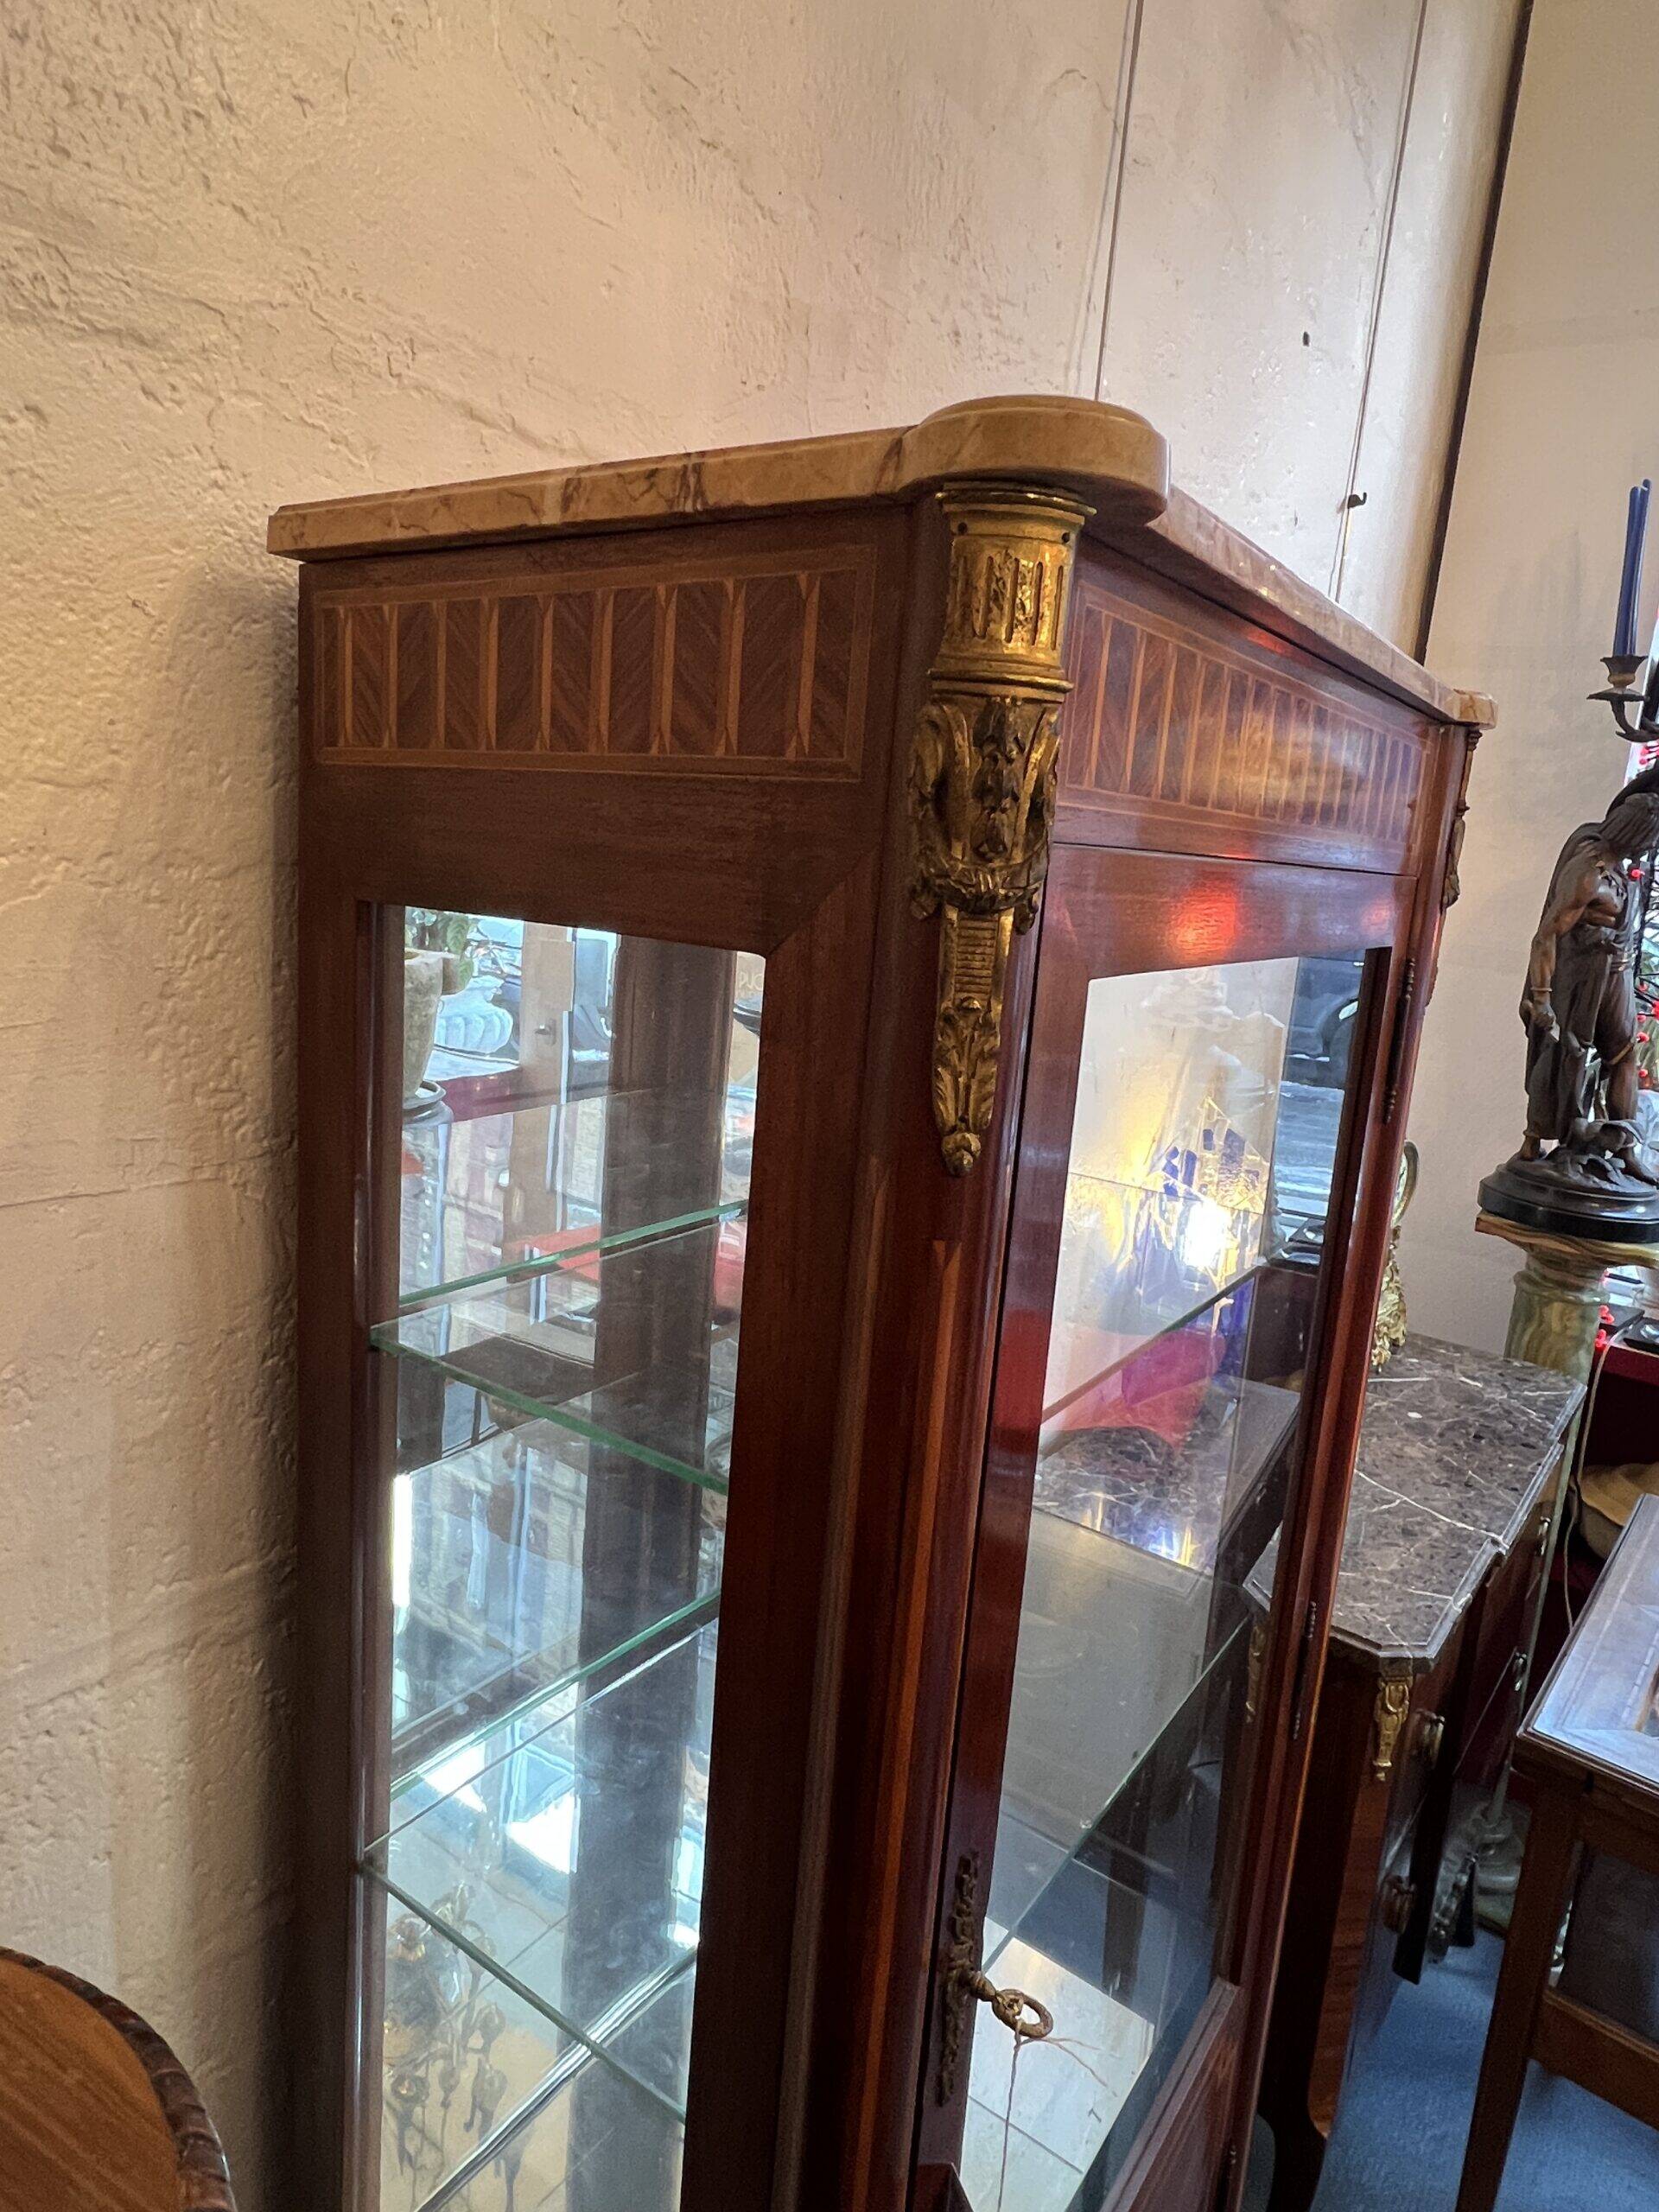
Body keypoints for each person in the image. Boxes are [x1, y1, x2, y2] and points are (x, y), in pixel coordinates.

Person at [1517, 762, 1659, 1186]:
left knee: (1623, 1055)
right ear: (1637, 833)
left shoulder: (1622, 867)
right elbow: (1546, 935)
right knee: (1565, 1058)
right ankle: (1534, 1142)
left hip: (1614, 972)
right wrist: (1541, 996)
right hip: (1581, 978)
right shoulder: (1588, 874)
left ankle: (1626, 1146)